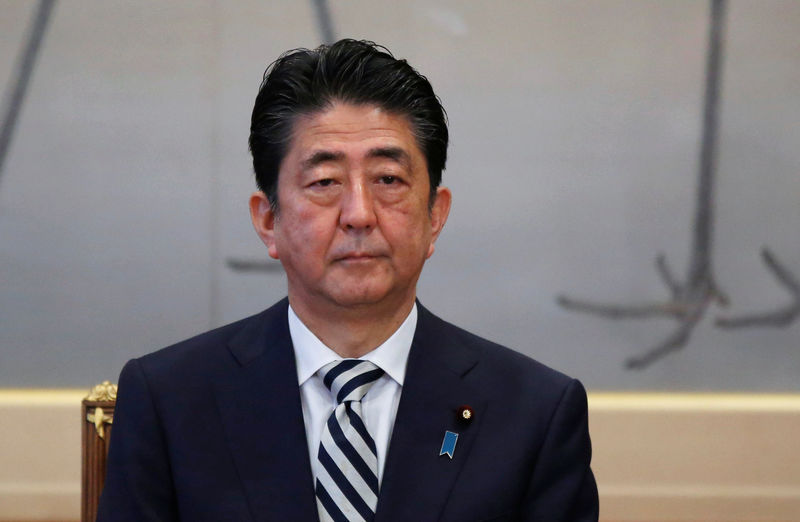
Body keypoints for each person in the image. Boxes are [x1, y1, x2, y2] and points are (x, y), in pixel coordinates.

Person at [98, 39, 598, 521]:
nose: (359, 214)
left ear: (435, 216)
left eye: (387, 180)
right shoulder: (171, 401)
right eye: (325, 183)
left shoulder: (535, 414)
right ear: (268, 221)